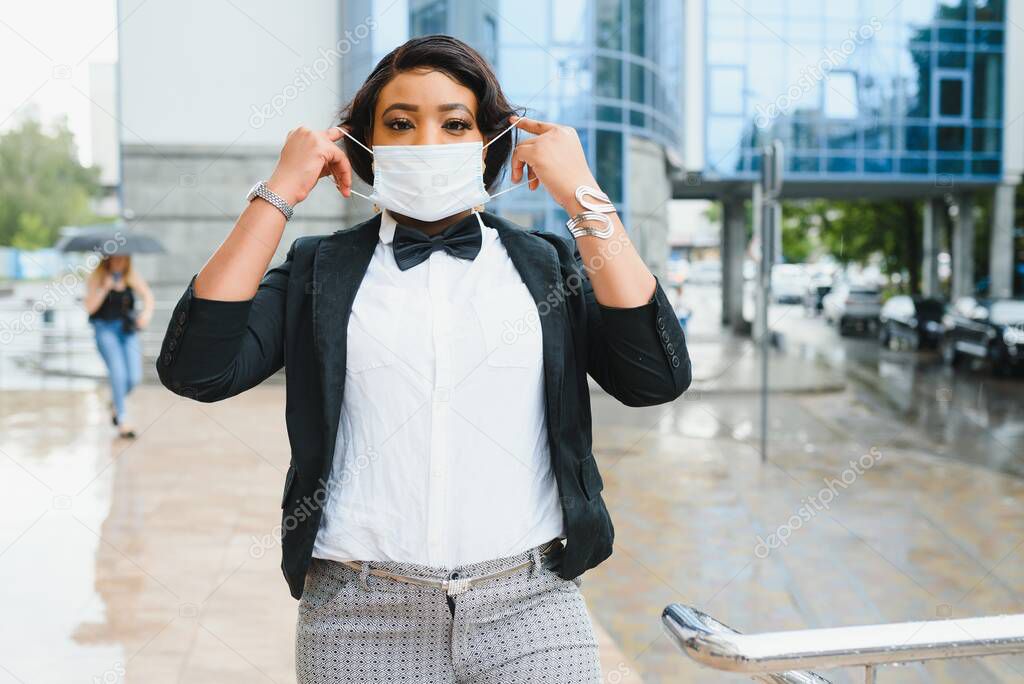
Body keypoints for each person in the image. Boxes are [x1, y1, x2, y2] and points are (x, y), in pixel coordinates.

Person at [156, 35, 690, 683]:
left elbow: (655, 378)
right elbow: (197, 370)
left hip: (530, 604)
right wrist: (280, 192)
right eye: (400, 123)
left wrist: (583, 195)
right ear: (367, 146)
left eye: (455, 123)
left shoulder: (547, 264)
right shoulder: (318, 270)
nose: (426, 142)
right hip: (358, 610)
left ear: (491, 143)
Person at [84, 254, 154, 439]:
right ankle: (122, 420)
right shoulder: (97, 278)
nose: (119, 262)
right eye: (115, 259)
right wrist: (105, 288)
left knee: (134, 377)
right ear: (107, 259)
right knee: (118, 373)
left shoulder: (131, 276)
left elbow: (148, 297)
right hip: (105, 330)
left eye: (123, 259)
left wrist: (145, 315)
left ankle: (115, 403)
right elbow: (90, 307)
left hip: (127, 330)